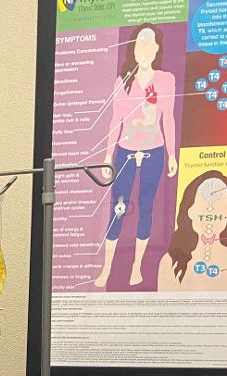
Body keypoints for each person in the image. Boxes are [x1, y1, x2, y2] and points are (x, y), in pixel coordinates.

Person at [95, 23, 177, 288]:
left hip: (154, 151)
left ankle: (136, 267)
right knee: (118, 209)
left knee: (146, 207)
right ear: (133, 49)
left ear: (156, 49)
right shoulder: (122, 81)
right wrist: (108, 156)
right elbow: (115, 121)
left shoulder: (166, 80)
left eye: (149, 45)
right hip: (126, 152)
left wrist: (172, 154)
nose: (144, 50)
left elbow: (168, 119)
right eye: (140, 45)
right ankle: (107, 268)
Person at [157, 170, 227, 291]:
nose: (210, 215)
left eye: (219, 206)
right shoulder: (170, 262)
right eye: (203, 204)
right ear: (189, 211)